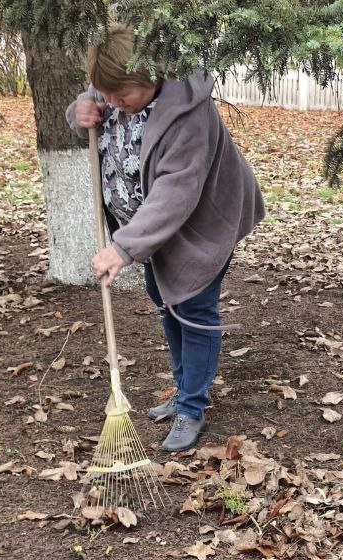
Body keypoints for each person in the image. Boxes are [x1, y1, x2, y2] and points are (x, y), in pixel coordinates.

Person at [66, 25, 264, 453]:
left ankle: (192, 407)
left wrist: (124, 248)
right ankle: (182, 390)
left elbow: (176, 193)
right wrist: (80, 112)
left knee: (193, 308)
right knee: (165, 298)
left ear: (149, 74)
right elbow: (93, 110)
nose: (111, 102)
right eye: (106, 94)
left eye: (120, 95)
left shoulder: (188, 115)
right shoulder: (119, 86)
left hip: (201, 225)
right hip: (153, 230)